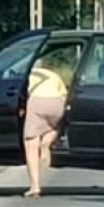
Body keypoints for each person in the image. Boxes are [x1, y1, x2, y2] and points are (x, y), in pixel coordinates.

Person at [21, 57, 69, 198]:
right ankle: (46, 143)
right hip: (56, 102)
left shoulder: (27, 76)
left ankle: (34, 186)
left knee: (30, 144)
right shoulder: (53, 75)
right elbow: (64, 94)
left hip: (36, 102)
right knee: (55, 125)